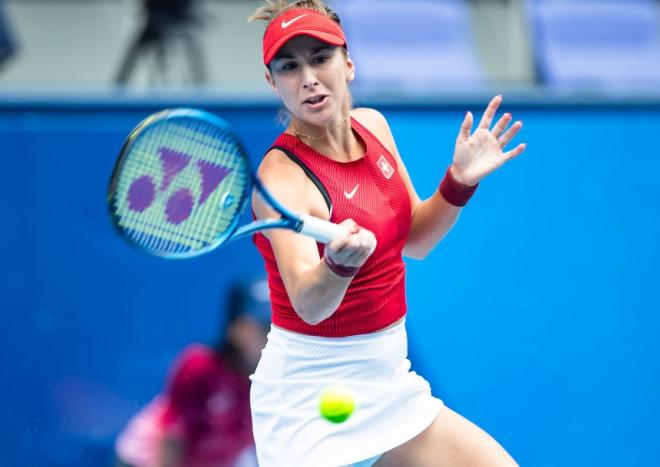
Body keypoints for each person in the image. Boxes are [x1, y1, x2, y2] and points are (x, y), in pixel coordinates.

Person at [247, 1, 526, 466]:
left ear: (348, 64)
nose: (309, 77)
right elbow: (310, 306)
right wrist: (337, 266)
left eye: (321, 58)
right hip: (308, 399)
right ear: (273, 83)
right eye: (290, 67)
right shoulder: (281, 178)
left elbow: (415, 239)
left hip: (389, 380)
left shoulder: (373, 126)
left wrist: (458, 183)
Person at [114, 279, 270, 467]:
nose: (273, 335)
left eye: (278, 327)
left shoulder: (274, 381)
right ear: (237, 330)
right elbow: (173, 438)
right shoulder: (200, 366)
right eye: (266, 327)